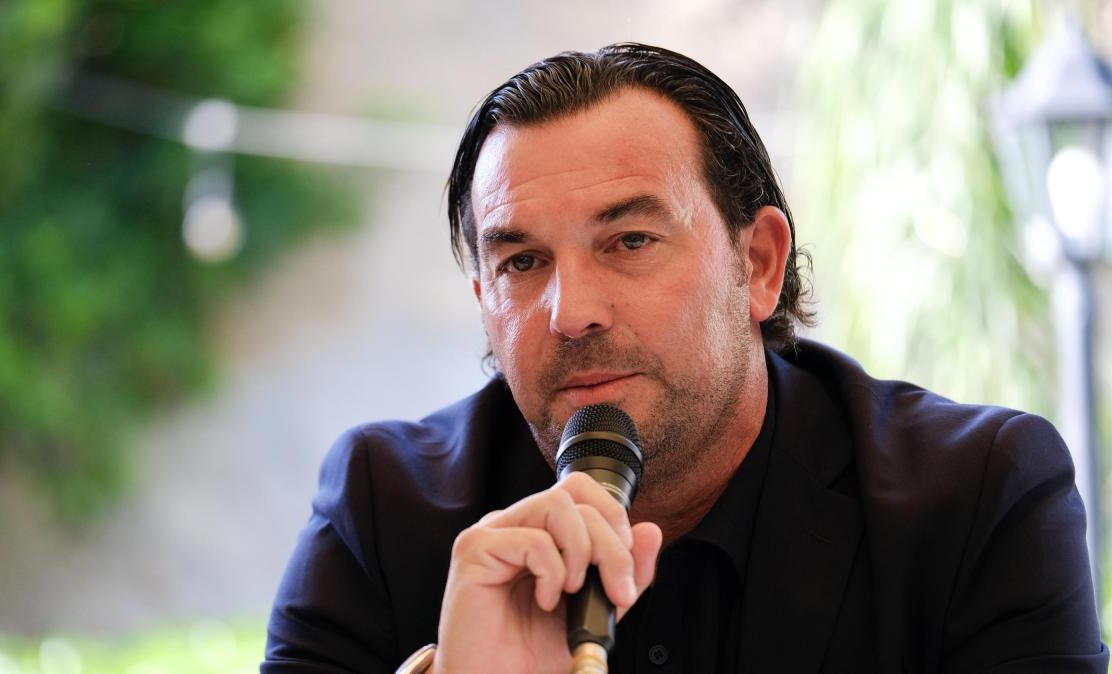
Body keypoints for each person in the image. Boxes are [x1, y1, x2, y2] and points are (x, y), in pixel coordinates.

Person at [261, 43, 1107, 673]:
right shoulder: (384, 507)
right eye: (522, 262)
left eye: (630, 241)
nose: (571, 313)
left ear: (758, 264)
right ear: (484, 298)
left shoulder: (974, 496)